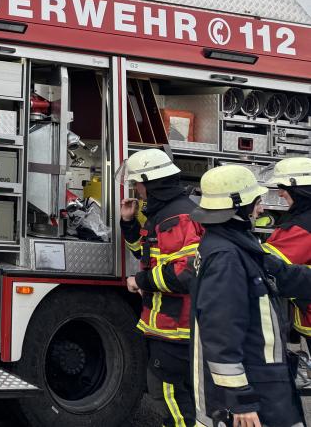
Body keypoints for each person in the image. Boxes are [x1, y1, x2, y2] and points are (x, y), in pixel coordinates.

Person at [190, 164, 311, 427]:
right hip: (252, 390)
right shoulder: (227, 257)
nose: (262, 209)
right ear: (237, 207)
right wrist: (240, 399)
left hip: (263, 379)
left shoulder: (235, 244)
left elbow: (281, 273)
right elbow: (221, 332)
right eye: (257, 202)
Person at [119, 148, 201, 426]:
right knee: (178, 396)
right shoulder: (165, 213)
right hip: (169, 325)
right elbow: (145, 255)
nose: (136, 189)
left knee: (168, 396)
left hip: (176, 327)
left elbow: (185, 273)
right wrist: (128, 222)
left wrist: (139, 281)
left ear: (150, 182)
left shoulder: (176, 218)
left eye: (137, 183)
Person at [262, 157, 311, 341]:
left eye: (283, 188)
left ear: (300, 190)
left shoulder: (301, 229)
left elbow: (267, 265)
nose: (281, 193)